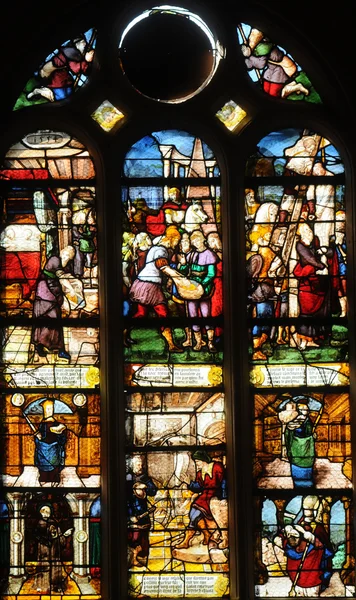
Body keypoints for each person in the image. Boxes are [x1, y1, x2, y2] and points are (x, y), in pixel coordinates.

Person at [129, 225, 183, 351]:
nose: (177, 244)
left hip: (141, 282)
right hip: (151, 285)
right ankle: (171, 345)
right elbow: (162, 266)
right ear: (172, 239)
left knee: (141, 313)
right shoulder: (161, 250)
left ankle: (123, 331)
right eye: (177, 241)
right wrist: (178, 277)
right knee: (163, 313)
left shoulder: (155, 248)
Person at [275, 496, 334, 596]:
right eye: (306, 509)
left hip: (313, 579)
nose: (308, 512)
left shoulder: (318, 529)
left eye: (310, 509)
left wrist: (314, 540)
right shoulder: (298, 524)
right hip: (298, 577)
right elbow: (289, 546)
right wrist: (282, 539)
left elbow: (328, 552)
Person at [174, 450, 225, 549]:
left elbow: (224, 482)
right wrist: (189, 483)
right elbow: (198, 487)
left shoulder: (217, 467)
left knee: (195, 514)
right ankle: (206, 534)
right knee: (193, 513)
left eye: (197, 461)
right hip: (204, 497)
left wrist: (224, 497)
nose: (197, 464)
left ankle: (186, 541)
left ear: (204, 460)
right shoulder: (199, 473)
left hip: (214, 496)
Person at [31, 247, 75, 360]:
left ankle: (53, 348)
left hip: (51, 291)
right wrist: (71, 289)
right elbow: (61, 277)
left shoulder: (63, 264)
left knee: (54, 318)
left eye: (68, 257)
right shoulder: (55, 259)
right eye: (65, 254)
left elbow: (64, 276)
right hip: (45, 291)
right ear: (61, 252)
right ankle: (44, 345)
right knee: (53, 317)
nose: (65, 258)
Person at [177, 229, 218, 352]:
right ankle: (198, 342)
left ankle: (210, 343)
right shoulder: (191, 255)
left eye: (197, 239)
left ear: (203, 240)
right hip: (191, 289)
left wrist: (201, 285)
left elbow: (211, 274)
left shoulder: (209, 255)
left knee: (206, 316)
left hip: (204, 289)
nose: (195, 242)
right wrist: (183, 264)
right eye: (193, 240)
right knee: (193, 316)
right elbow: (183, 272)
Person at [293, 222, 332, 348]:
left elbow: (327, 252)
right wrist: (320, 265)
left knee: (314, 312)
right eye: (307, 231)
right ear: (302, 234)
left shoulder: (312, 245)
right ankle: (303, 341)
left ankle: (310, 340)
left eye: (310, 231)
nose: (310, 234)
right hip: (307, 286)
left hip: (316, 285)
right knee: (306, 312)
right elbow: (310, 259)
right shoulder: (300, 246)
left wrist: (323, 251)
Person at [27, 34, 95, 103]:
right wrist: (86, 60)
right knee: (62, 94)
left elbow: (79, 68)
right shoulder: (70, 52)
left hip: (58, 77)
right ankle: (39, 91)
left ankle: (40, 91)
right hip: (52, 75)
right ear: (77, 42)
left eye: (85, 44)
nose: (85, 45)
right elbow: (76, 67)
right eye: (83, 43)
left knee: (63, 94)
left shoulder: (72, 53)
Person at [31, 504, 73, 593]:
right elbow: (38, 536)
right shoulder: (39, 524)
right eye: (43, 511)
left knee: (55, 566)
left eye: (47, 511)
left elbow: (60, 538)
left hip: (54, 550)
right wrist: (48, 538)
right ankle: (42, 584)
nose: (46, 513)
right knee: (43, 566)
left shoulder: (54, 523)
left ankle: (55, 585)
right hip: (44, 550)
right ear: (40, 513)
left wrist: (64, 535)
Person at [127, 455, 157, 567]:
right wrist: (129, 515)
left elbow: (153, 491)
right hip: (130, 510)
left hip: (142, 511)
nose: (140, 467)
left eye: (141, 464)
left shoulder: (145, 478)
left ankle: (142, 557)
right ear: (132, 465)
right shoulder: (128, 478)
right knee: (133, 536)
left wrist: (146, 486)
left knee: (143, 536)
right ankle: (132, 558)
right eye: (137, 464)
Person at [283, 401, 316, 488]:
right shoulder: (294, 421)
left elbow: (309, 433)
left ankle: (307, 487)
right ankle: (299, 486)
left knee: (307, 474)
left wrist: (312, 436)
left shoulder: (308, 421)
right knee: (298, 472)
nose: (307, 410)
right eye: (304, 409)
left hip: (307, 451)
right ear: (299, 410)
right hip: (296, 450)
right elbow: (289, 434)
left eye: (307, 409)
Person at [34, 398, 67, 485]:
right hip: (43, 451)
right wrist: (37, 437)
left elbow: (62, 439)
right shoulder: (42, 424)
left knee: (54, 471)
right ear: (44, 410)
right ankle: (44, 481)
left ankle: (54, 480)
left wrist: (60, 433)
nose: (49, 411)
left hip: (54, 451)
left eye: (51, 409)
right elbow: (39, 437)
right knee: (44, 474)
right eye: (47, 409)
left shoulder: (56, 424)